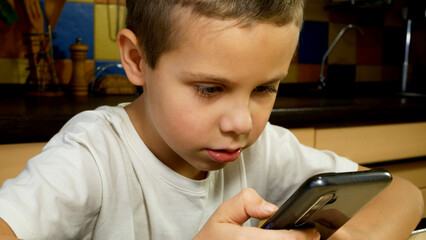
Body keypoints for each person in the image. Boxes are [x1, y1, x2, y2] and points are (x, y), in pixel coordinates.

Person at [0, 0, 424, 239]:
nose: (241, 123)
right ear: (137, 60)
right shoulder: (90, 156)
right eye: (209, 89)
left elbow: (404, 194)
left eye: (264, 88)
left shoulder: (265, 148)